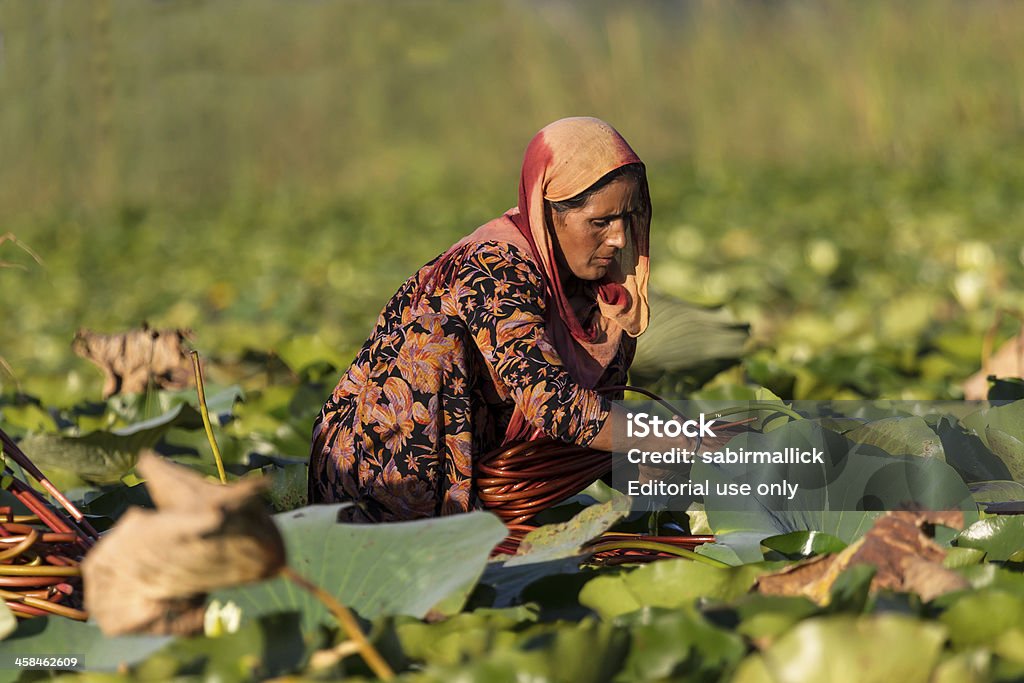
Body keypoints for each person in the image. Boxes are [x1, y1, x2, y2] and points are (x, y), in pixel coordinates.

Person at [308, 117, 653, 522]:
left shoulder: (606, 299)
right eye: (600, 222)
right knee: (432, 340)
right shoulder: (496, 265)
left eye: (628, 217)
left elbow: (602, 426)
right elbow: (552, 402)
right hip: (378, 473)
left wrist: (701, 471)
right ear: (549, 212)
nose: (619, 238)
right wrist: (674, 438)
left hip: (486, 478)